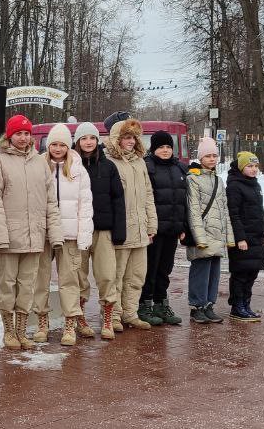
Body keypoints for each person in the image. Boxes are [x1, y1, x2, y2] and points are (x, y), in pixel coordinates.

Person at [0, 114, 61, 350]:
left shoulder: (40, 163)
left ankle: (21, 331)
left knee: (27, 285)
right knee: (7, 285)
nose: (23, 138)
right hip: (9, 238)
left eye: (26, 133)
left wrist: (55, 233)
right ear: (9, 136)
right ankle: (8, 331)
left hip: (35, 236)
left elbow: (50, 201)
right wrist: (0, 237)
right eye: (18, 133)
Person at [33, 123, 93, 346]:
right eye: (54, 144)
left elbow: (85, 205)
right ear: (48, 145)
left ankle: (70, 323)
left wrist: (83, 236)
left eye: (62, 145)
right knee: (40, 279)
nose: (57, 149)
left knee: (70, 280)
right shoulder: (39, 166)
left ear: (68, 146)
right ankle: (42, 322)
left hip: (69, 235)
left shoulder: (78, 170)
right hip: (44, 234)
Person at [105, 118, 157, 331]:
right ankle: (114, 316)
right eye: (126, 137)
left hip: (140, 230)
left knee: (136, 276)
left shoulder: (140, 162)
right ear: (117, 139)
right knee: (116, 277)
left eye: (134, 138)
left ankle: (130, 313)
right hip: (121, 230)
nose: (131, 142)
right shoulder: (109, 162)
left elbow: (148, 195)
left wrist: (151, 224)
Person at [74, 122, 126, 339]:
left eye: (92, 138)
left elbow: (118, 199)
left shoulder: (109, 167)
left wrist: (119, 231)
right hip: (78, 231)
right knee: (78, 276)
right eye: (84, 138)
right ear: (77, 141)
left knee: (106, 275)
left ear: (97, 141)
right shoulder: (71, 165)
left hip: (103, 230)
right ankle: (79, 318)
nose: (88, 142)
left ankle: (108, 318)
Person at [139, 131, 188, 326]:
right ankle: (145, 304)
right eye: (161, 147)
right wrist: (148, 226)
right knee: (150, 269)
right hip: (154, 229)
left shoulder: (179, 168)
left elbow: (183, 200)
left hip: (172, 229)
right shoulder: (147, 167)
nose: (165, 150)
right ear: (153, 149)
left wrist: (182, 225)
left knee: (165, 269)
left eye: (168, 147)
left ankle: (161, 303)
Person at [185, 137, 235, 323]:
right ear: (200, 158)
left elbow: (224, 210)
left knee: (214, 272)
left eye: (214, 155)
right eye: (208, 156)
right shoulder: (193, 179)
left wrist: (229, 237)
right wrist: (200, 238)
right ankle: (197, 306)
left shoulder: (218, 180)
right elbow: (193, 211)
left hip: (217, 234)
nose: (212, 159)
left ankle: (209, 304)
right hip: (203, 234)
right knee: (201, 270)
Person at [227, 151, 264, 321]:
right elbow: (233, 214)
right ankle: (237, 306)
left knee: (252, 272)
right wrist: (240, 238)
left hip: (255, 236)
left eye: (256, 166)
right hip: (243, 238)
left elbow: (259, 212)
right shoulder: (234, 186)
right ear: (241, 167)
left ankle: (246, 303)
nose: (254, 169)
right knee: (241, 273)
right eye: (250, 166)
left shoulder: (254, 184)